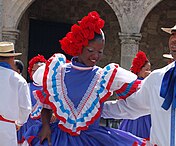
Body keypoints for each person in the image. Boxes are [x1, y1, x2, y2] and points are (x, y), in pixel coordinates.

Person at [24, 11, 146, 146]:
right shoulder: (58, 72)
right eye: (90, 50)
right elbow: (47, 105)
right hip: (60, 138)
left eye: (100, 52)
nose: (95, 56)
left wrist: (106, 109)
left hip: (92, 139)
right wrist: (46, 126)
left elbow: (136, 96)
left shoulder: (104, 76)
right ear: (79, 46)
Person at [102, 12, 176, 146]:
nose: (174, 39)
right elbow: (130, 107)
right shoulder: (157, 78)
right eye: (173, 34)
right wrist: (95, 110)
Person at [0, 41, 32, 146]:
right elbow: (25, 108)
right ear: (12, 58)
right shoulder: (19, 80)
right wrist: (19, 122)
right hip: (6, 128)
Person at [119, 51, 152, 139]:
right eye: (147, 69)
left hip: (145, 116)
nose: (149, 72)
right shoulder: (135, 84)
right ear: (139, 70)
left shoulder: (144, 82)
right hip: (137, 118)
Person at [17, 54, 47, 146]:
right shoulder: (26, 86)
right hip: (25, 126)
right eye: (35, 70)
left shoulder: (50, 89)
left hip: (41, 128)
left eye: (40, 70)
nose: (38, 73)